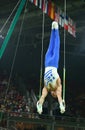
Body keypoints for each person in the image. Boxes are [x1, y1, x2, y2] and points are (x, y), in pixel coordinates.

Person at [37, 21, 65, 114]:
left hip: (47, 63)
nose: (54, 94)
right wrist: (61, 105)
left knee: (51, 45)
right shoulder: (58, 86)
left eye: (53, 95)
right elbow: (60, 96)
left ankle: (53, 29)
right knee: (56, 46)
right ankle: (56, 29)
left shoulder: (46, 88)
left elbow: (42, 97)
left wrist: (40, 106)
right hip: (54, 65)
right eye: (55, 95)